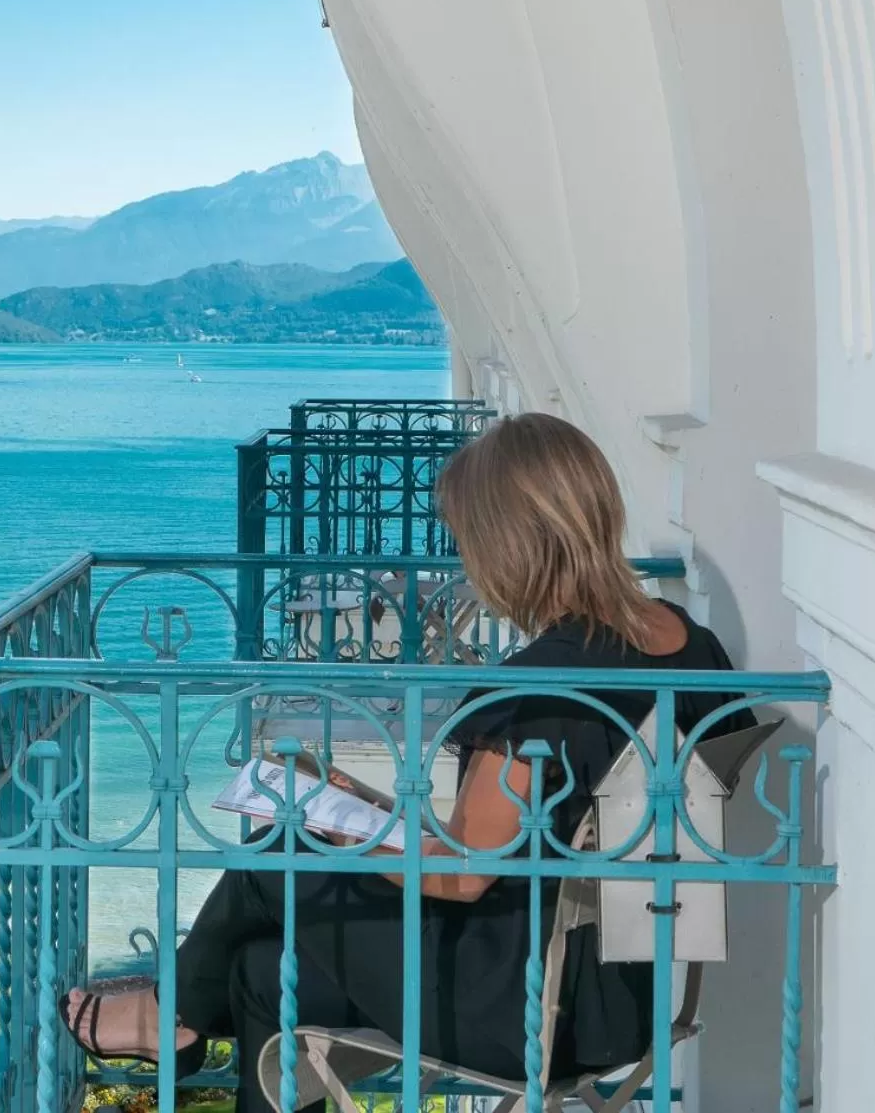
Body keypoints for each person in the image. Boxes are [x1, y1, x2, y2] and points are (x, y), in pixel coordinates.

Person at [58, 413, 757, 1112]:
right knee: (261, 972)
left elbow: (459, 873)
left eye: (470, 540)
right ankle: (173, 1015)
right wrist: (368, 804)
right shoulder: (692, 646)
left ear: (509, 543)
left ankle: (163, 1014)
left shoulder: (540, 684)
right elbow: (515, 839)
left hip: (524, 1006)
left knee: (275, 850)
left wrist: (336, 828)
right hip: (629, 995)